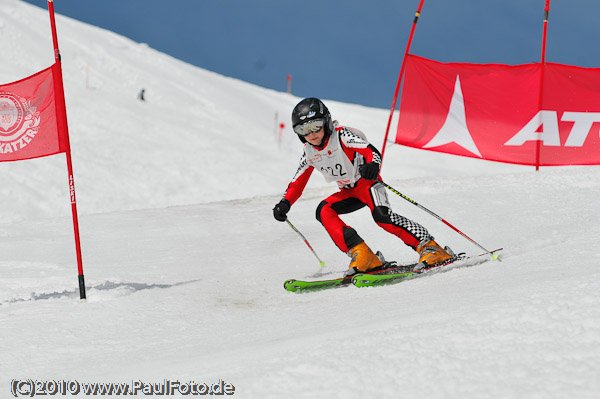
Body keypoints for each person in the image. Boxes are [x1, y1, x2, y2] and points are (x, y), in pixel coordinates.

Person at [272, 97, 452, 276]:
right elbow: (297, 183)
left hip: (368, 184)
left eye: (315, 126)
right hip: (348, 191)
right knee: (324, 210)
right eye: (303, 129)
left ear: (326, 122)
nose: (311, 134)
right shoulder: (309, 152)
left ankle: (431, 248)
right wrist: (285, 203)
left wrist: (373, 165)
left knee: (383, 217)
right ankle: (364, 256)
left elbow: (371, 151)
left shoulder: (341, 135)